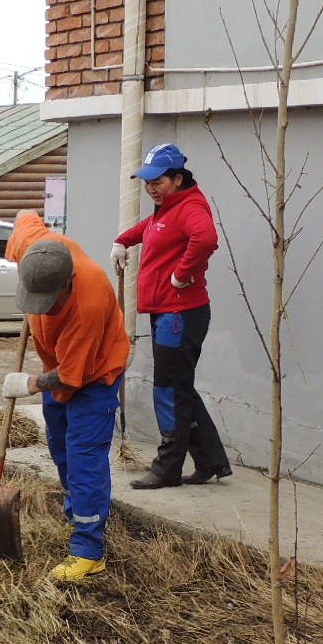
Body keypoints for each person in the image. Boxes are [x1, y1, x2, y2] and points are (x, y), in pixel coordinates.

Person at [2, 213, 132, 584]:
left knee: (83, 458)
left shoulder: (87, 304)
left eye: (48, 301)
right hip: (58, 365)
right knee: (59, 446)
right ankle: (81, 513)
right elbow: (25, 217)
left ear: (68, 284)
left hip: (95, 376)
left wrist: (27, 383)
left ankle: (89, 550)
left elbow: (72, 377)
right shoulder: (35, 247)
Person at [112, 143, 233, 490]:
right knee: (180, 387)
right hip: (168, 312)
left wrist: (181, 275)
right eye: (147, 181)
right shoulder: (166, 209)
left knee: (167, 389)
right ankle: (210, 460)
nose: (151, 187)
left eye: (158, 180)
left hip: (180, 314)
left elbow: (206, 238)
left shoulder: (190, 207)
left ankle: (167, 467)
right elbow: (149, 227)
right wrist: (123, 241)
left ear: (178, 178)